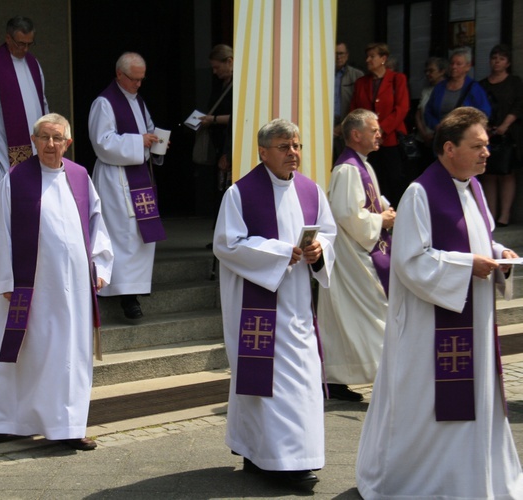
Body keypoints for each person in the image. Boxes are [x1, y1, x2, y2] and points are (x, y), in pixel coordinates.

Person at [356, 107, 523, 499]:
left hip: (474, 321)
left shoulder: (474, 187)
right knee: (434, 402)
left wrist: (499, 253)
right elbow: (411, 261)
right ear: (449, 148)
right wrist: (469, 266)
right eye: (477, 146)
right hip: (431, 329)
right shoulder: (420, 193)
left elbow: (476, 241)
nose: (486, 153)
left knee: (474, 400)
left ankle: (471, 480)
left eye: (487, 145)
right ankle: (426, 482)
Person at [0, 113, 113, 451]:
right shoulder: (16, 179)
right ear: (34, 141)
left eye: (57, 138)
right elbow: (1, 230)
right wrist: (7, 277)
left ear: (68, 143)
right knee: (26, 352)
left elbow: (97, 222)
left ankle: (68, 424)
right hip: (32, 285)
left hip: (76, 288)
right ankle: (5, 419)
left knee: (70, 356)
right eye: (44, 138)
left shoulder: (81, 177)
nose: (50, 145)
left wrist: (101, 266)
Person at [213, 118, 336, 487]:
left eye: (296, 145)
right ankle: (280, 460)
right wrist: (283, 253)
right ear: (263, 152)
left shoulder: (312, 191)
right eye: (284, 147)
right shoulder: (240, 193)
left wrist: (319, 250)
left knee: (298, 381)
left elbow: (328, 234)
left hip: (297, 306)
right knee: (267, 383)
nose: (293, 153)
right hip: (258, 307)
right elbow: (227, 244)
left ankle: (275, 454)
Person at [317, 109, 394, 402]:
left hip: (360, 253)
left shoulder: (361, 165)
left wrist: (385, 211)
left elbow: (371, 201)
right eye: (374, 130)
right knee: (371, 314)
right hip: (353, 257)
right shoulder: (348, 168)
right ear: (355, 135)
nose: (379, 134)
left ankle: (336, 377)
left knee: (347, 318)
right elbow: (348, 214)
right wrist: (382, 220)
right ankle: (385, 375)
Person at [88, 52, 166, 320]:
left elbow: (148, 129)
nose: (138, 84)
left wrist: (157, 142)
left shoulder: (138, 100)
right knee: (121, 234)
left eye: (141, 79)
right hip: (115, 178)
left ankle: (136, 287)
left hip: (139, 177)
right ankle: (123, 294)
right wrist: (138, 141)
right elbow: (102, 142)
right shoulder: (104, 103)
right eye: (134, 79)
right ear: (119, 74)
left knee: (138, 235)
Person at [0, 16, 48, 248]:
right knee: (5, 193)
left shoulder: (34, 64)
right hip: (5, 147)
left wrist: (49, 134)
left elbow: (42, 101)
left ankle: (30, 243)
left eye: (29, 44)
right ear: (7, 38)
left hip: (35, 145)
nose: (24, 49)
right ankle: (2, 245)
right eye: (20, 43)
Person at [350, 43, 410, 206]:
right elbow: (355, 110)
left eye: (372, 56)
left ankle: (397, 217)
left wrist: (381, 130)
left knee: (395, 178)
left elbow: (402, 108)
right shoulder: (361, 83)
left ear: (383, 58)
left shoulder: (397, 79)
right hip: (366, 141)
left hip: (390, 140)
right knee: (372, 178)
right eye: (367, 56)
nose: (368, 60)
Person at [479, 44, 523, 227]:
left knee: (506, 173)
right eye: (494, 58)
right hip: (486, 133)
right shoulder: (482, 84)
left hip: (509, 134)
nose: (497, 62)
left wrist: (505, 125)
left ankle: (504, 215)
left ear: (508, 63)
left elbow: (519, 105)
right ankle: (491, 214)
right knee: (488, 173)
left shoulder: (514, 82)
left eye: (501, 58)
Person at [196, 44, 233, 216]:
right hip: (218, 140)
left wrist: (214, 120)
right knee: (218, 185)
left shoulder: (237, 85)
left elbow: (237, 116)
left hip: (228, 140)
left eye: (217, 67)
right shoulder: (220, 84)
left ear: (230, 62)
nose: (215, 72)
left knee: (226, 185)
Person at [424, 46, 491, 133]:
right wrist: (436, 125)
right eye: (452, 63)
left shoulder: (474, 88)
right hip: (443, 136)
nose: (454, 67)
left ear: (468, 66)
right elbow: (428, 111)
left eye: (458, 64)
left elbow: (484, 113)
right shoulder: (440, 87)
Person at [333, 42, 364, 160]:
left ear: (347, 55)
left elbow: (360, 106)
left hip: (348, 125)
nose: (338, 57)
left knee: (348, 162)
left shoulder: (357, 75)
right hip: (326, 125)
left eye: (341, 53)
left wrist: (344, 126)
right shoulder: (322, 74)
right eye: (335, 54)